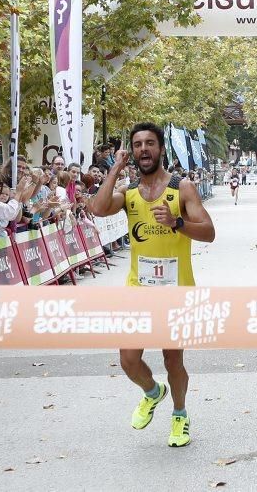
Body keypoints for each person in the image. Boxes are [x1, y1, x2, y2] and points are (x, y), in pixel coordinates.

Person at [89, 122, 215, 448]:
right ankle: (152, 392)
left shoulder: (182, 188)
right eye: (138, 145)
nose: (144, 149)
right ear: (132, 152)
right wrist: (115, 169)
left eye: (150, 143)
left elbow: (209, 232)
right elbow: (97, 208)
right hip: (139, 290)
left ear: (160, 149)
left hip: (176, 290)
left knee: (173, 361)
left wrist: (177, 223)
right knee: (129, 359)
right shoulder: (129, 192)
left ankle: (180, 415)